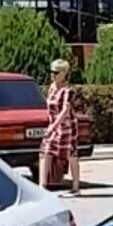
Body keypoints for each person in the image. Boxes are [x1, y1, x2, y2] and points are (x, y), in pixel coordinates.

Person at [40, 58, 82, 196]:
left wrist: (54, 126)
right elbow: (49, 107)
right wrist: (50, 124)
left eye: (56, 72)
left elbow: (65, 110)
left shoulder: (67, 91)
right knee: (45, 152)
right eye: (52, 72)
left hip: (67, 126)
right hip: (54, 126)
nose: (53, 75)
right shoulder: (52, 88)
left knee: (71, 155)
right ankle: (42, 186)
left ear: (64, 73)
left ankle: (76, 186)